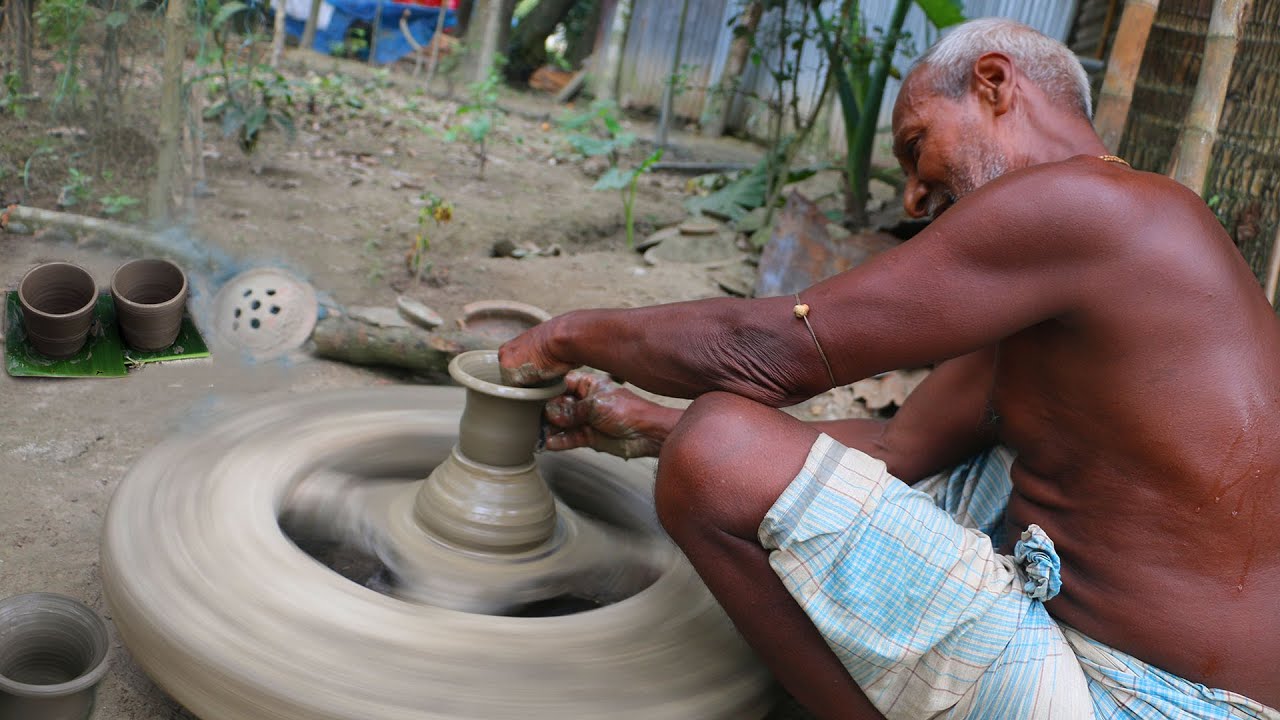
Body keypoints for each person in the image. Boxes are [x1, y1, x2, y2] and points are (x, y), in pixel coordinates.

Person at [498, 17, 1280, 720]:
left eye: (916, 146)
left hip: (1155, 699)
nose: (912, 196)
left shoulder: (1086, 207)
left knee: (720, 451)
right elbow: (900, 450)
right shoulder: (1095, 252)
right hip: (1159, 668)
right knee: (950, 464)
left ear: (994, 85)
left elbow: (777, 351)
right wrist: (644, 425)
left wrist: (566, 337)